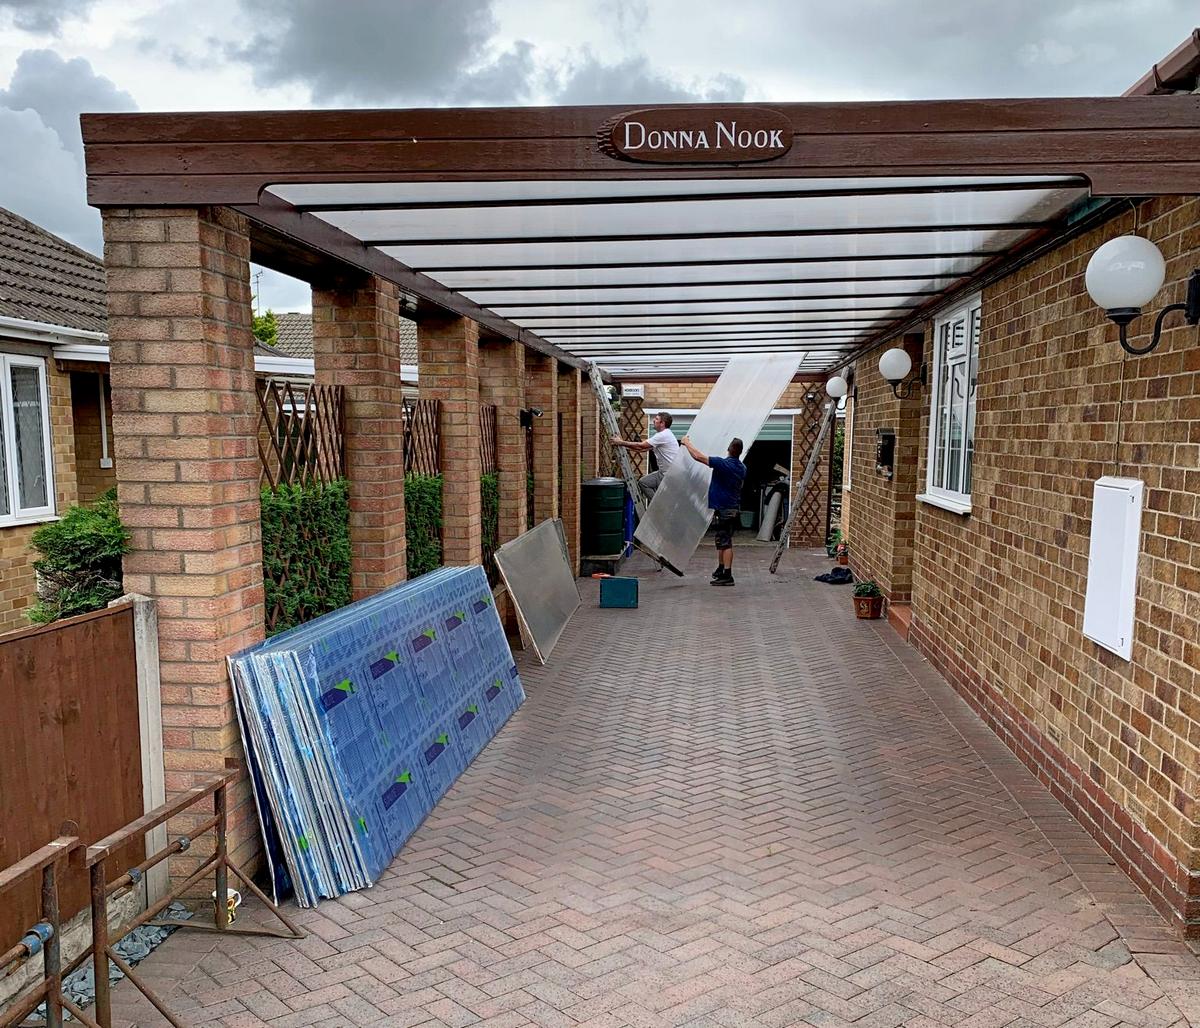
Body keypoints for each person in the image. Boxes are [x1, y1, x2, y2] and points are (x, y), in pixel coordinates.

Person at [681, 435, 746, 587]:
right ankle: (721, 569)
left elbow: (697, 456)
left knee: (726, 542)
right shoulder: (742, 467)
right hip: (729, 508)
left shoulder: (723, 464)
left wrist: (687, 442)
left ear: (729, 449)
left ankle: (728, 576)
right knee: (722, 540)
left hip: (726, 509)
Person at [611, 412, 679, 501]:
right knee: (644, 482)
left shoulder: (663, 435)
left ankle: (658, 505)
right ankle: (657, 504)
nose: (654, 420)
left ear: (662, 423)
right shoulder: (663, 435)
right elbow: (641, 449)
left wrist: (620, 442)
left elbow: (641, 446)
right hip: (663, 472)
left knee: (667, 499)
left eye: (657, 419)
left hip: (669, 475)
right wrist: (624, 447)